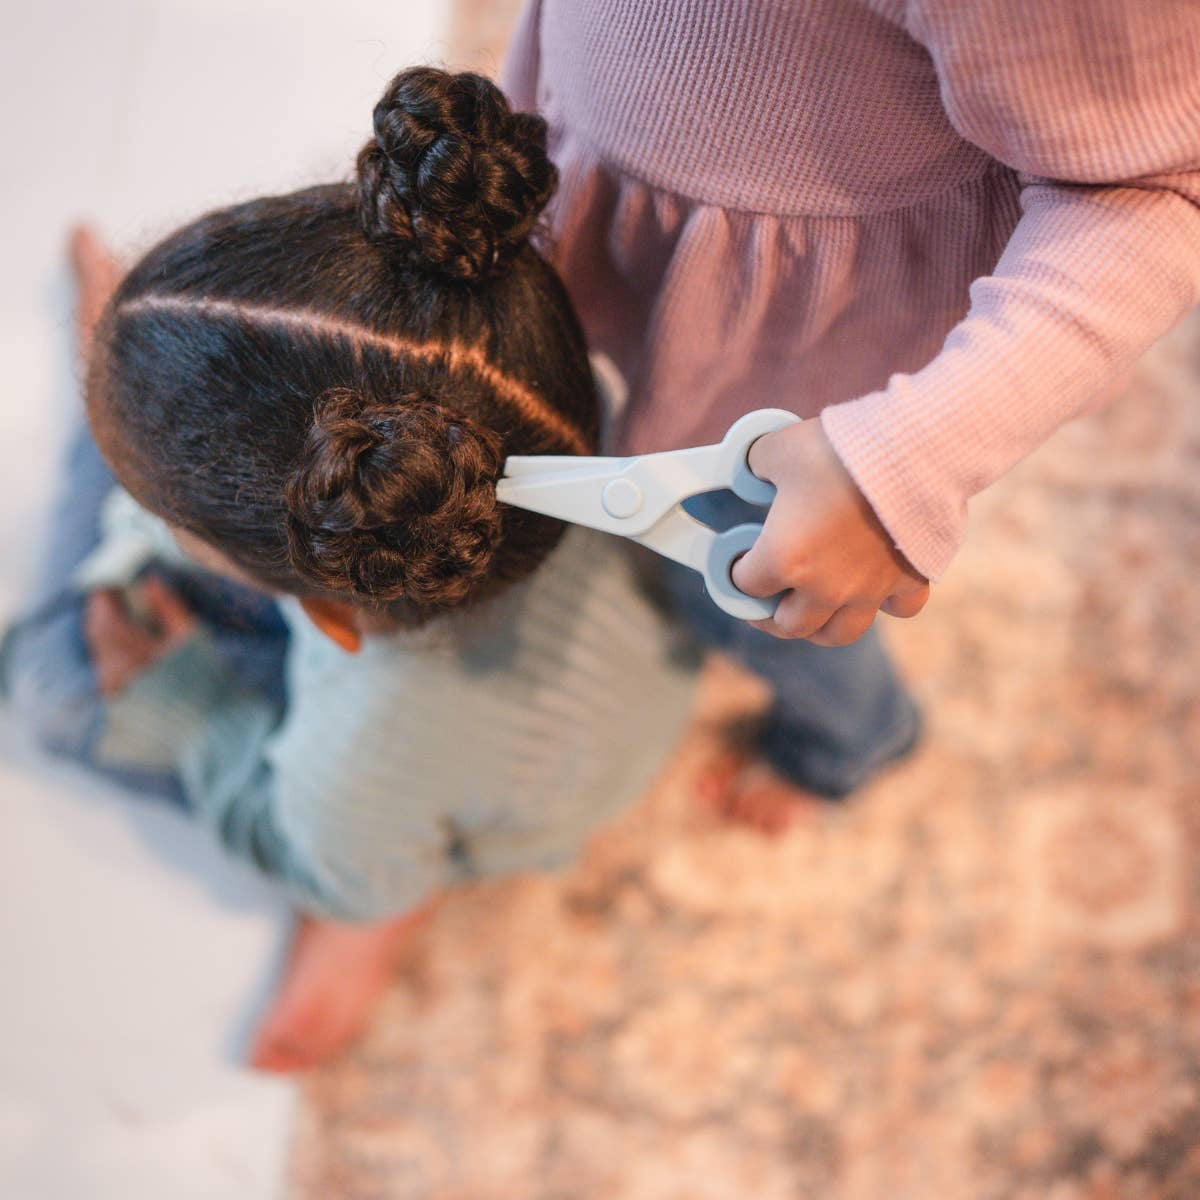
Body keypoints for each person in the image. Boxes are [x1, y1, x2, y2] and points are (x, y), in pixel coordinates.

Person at [1, 68, 701, 1071]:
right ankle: (132, 415)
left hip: (415, 788)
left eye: (171, 513)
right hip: (545, 667)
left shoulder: (347, 779)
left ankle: (378, 912)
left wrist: (197, 712)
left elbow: (311, 827)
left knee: (49, 682)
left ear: (328, 613)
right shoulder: (524, 400)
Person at [500, 0, 1200, 810]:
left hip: (805, 371)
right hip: (613, 224)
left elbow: (1157, 190)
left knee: (757, 580)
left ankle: (853, 743)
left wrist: (898, 467)